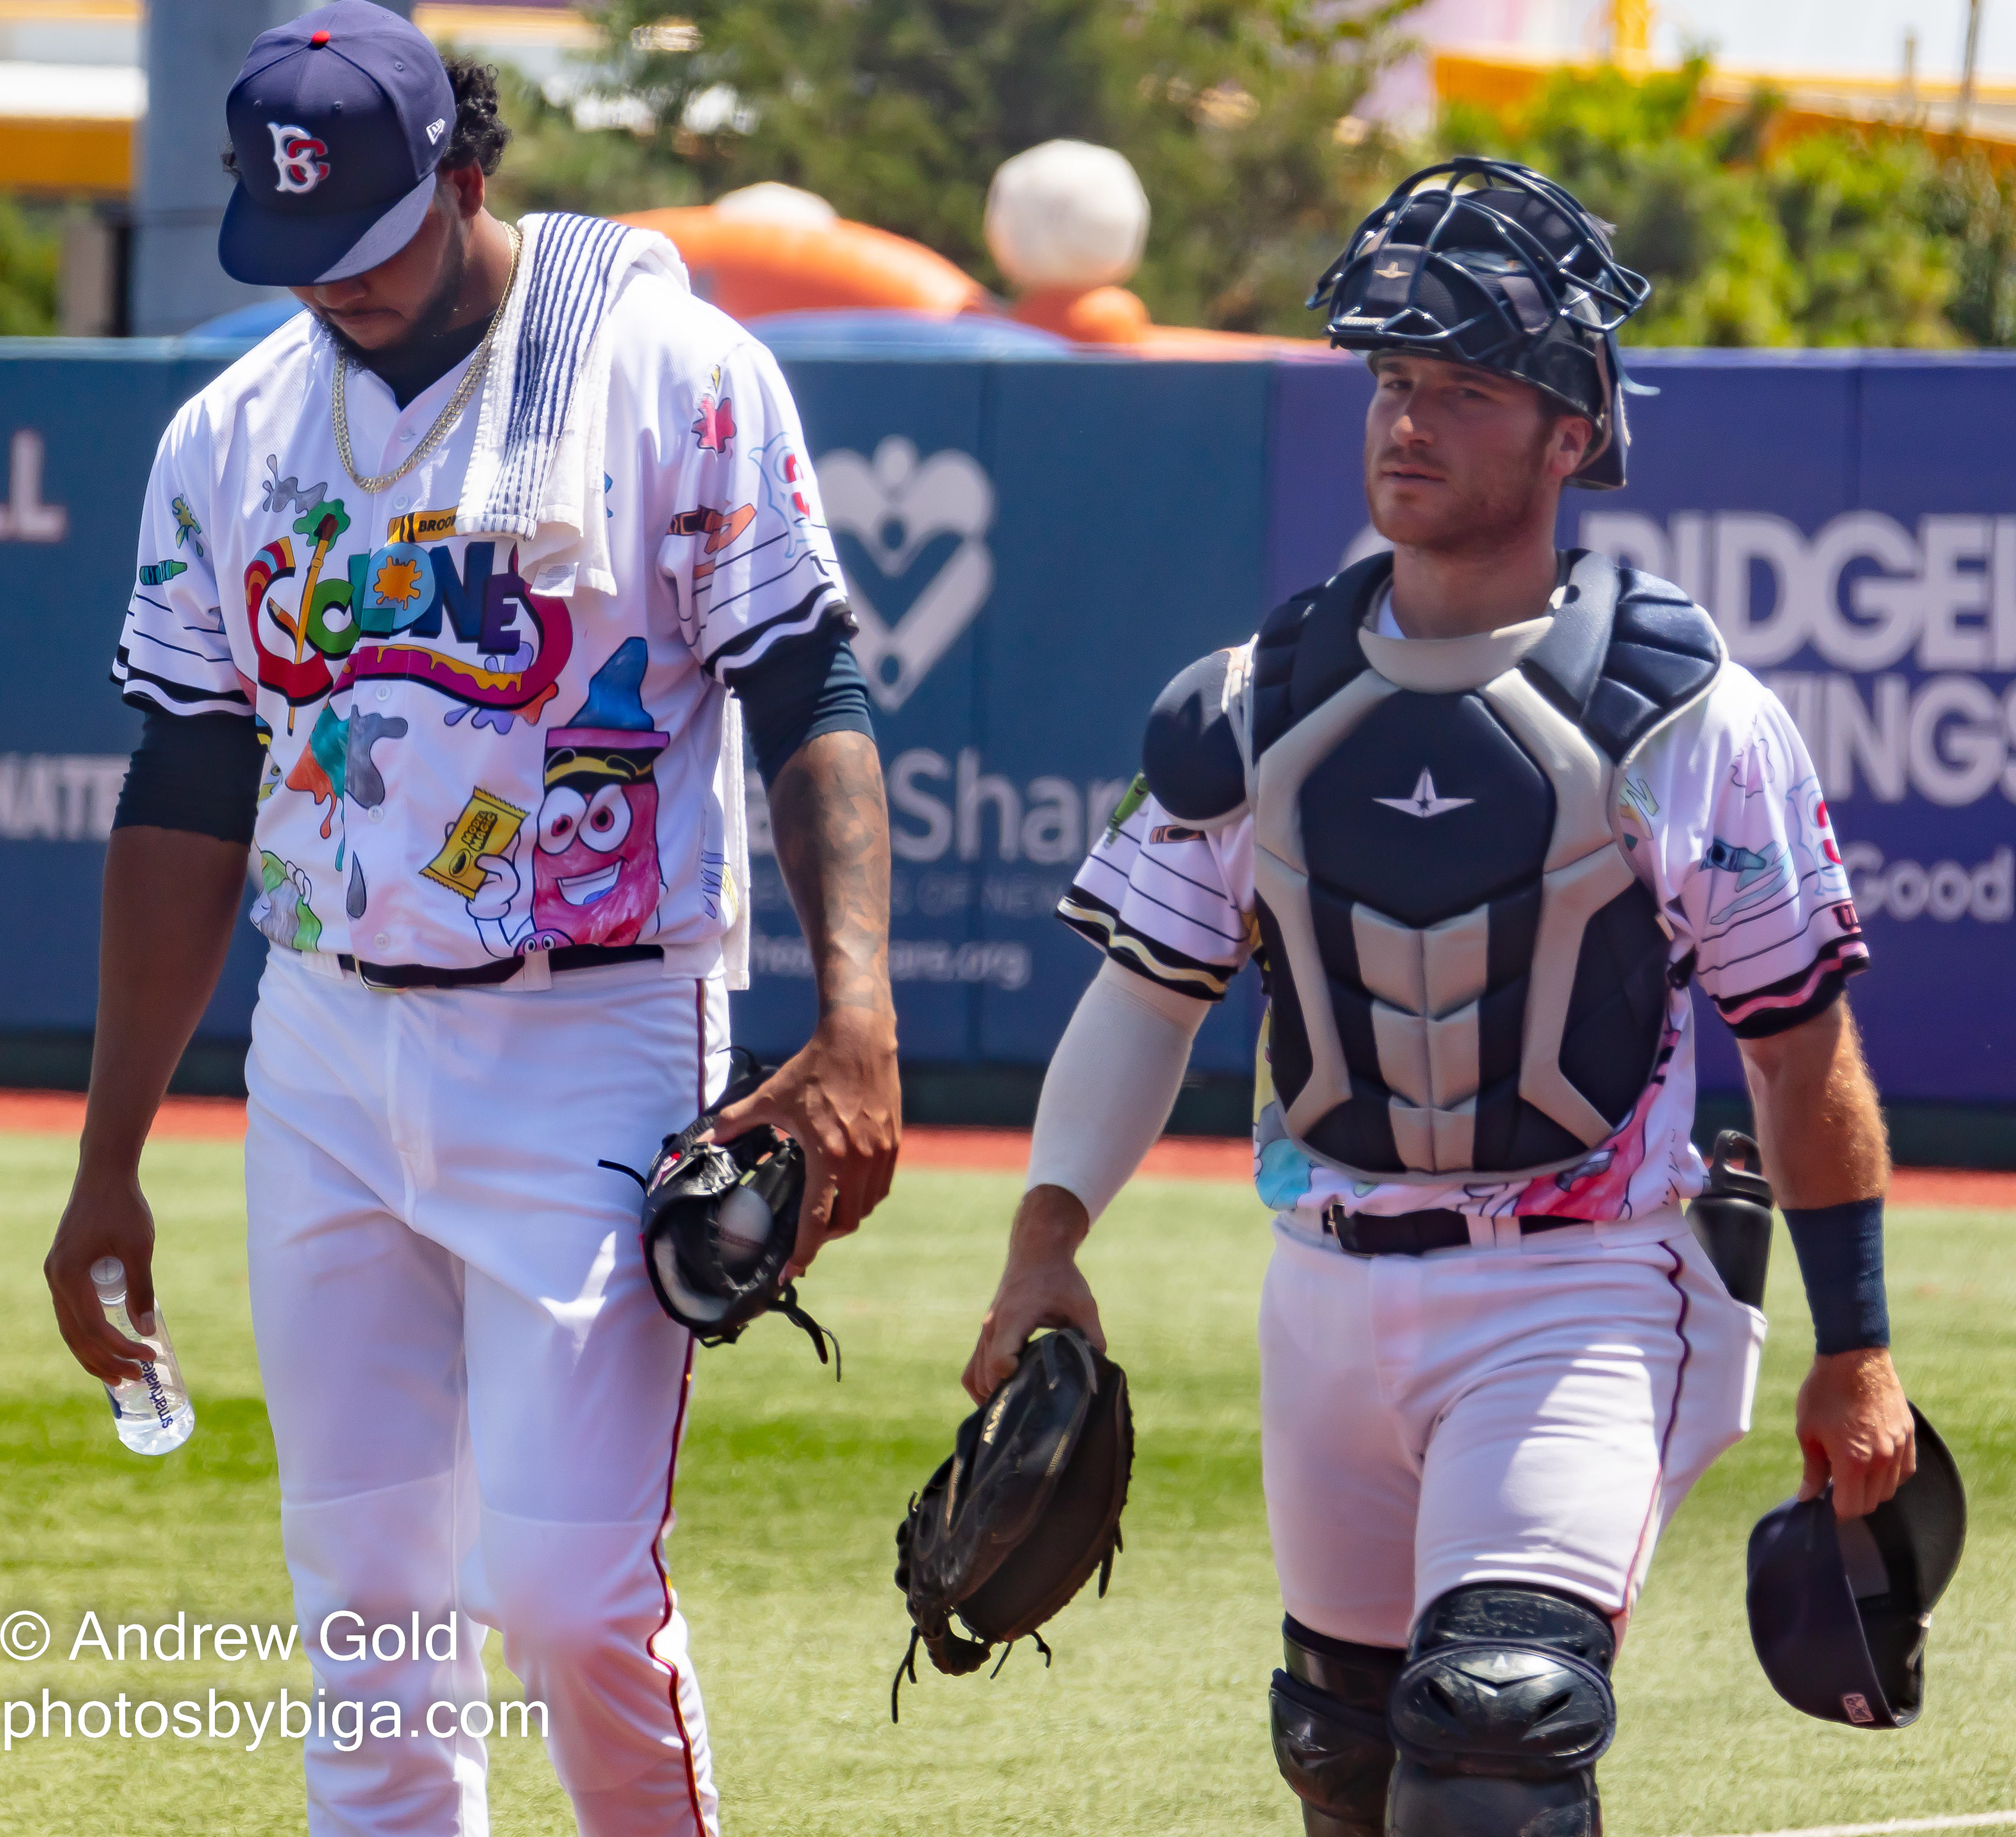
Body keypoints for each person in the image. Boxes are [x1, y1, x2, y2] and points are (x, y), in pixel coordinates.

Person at [963, 160, 1913, 1837]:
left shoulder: (1687, 716)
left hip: (1583, 1291)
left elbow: (1800, 1047)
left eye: (1466, 391)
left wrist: (1858, 1348)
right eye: (1395, 385)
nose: (1410, 424)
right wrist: (1045, 1242)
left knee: (1494, 1738)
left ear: (1573, 432)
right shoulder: (1259, 698)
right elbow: (1149, 989)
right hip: (1320, 1293)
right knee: (1345, 1759)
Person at [43, 8, 899, 1835]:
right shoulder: (230, 429)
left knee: (575, 1605)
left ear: (466, 175)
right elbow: (188, 789)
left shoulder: (673, 370)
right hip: (330, 1043)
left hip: (590, 1034)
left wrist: (855, 1008)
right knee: (366, 1625)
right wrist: (107, 1159)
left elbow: (805, 684)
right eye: (295, 253)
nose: (331, 287)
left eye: (363, 239)